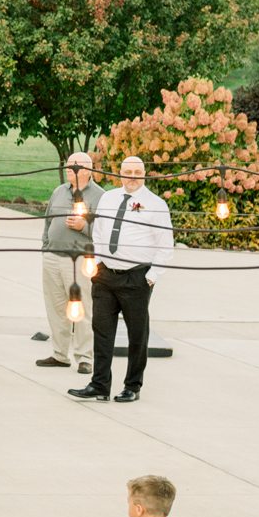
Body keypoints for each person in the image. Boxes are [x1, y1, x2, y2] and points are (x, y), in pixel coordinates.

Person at [70, 157, 174, 405]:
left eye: (137, 172)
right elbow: (99, 231)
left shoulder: (155, 204)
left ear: (145, 174)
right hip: (105, 275)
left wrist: (151, 277)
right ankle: (99, 384)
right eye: (127, 172)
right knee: (102, 331)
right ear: (120, 174)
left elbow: (165, 245)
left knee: (137, 334)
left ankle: (132, 385)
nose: (132, 176)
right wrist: (96, 265)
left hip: (136, 277)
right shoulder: (109, 198)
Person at [40, 153, 102, 374]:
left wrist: (83, 226)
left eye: (73, 166)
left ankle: (85, 357)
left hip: (78, 261)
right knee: (56, 308)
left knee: (82, 309)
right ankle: (59, 354)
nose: (68, 169)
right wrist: (45, 246)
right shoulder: (59, 191)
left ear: (87, 170)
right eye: (67, 165)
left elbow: (103, 232)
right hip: (52, 257)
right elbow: (48, 221)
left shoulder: (99, 196)